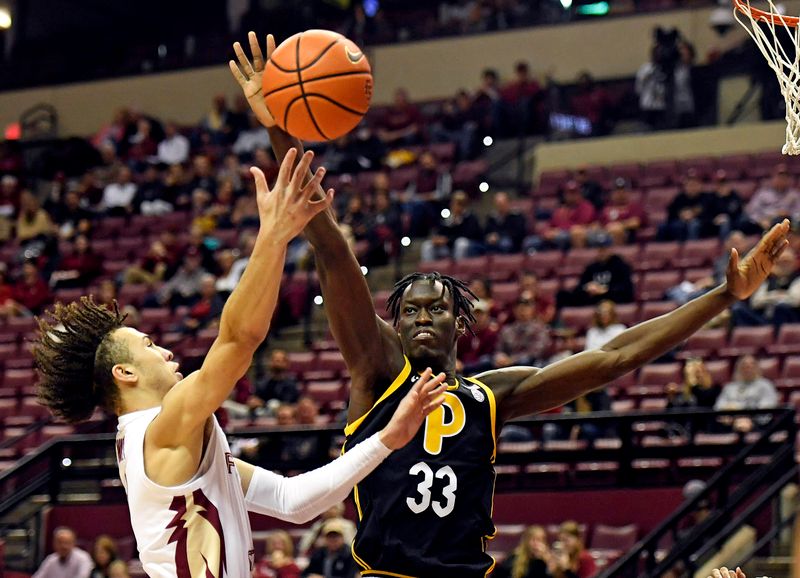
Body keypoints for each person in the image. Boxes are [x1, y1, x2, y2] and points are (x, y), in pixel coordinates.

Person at [233, 31, 792, 577]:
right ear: (393, 324)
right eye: (410, 311)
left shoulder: (490, 395)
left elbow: (617, 356)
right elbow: (330, 246)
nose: (422, 317)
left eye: (436, 309)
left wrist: (724, 296)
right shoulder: (376, 367)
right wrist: (278, 122)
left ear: (462, 323)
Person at [33, 149, 449, 578]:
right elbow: (239, 339)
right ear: (126, 373)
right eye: (150, 346)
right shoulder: (164, 429)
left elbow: (292, 501)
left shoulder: (174, 435)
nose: (166, 352)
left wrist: (388, 437)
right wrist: (273, 234)